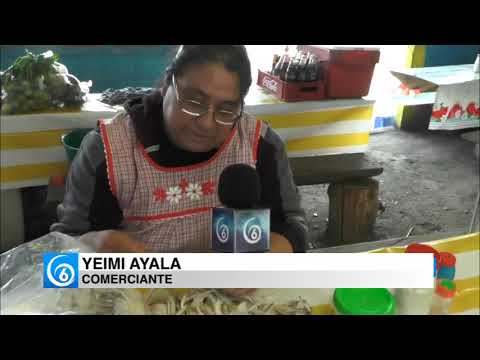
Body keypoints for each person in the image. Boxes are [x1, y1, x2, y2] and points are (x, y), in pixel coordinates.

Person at [51, 46, 308, 294]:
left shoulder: (258, 145)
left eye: (226, 109)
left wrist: (264, 260)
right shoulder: (107, 151)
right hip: (138, 301)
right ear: (166, 85)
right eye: (194, 100)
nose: (206, 124)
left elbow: (293, 227)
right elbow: (59, 257)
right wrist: (95, 244)